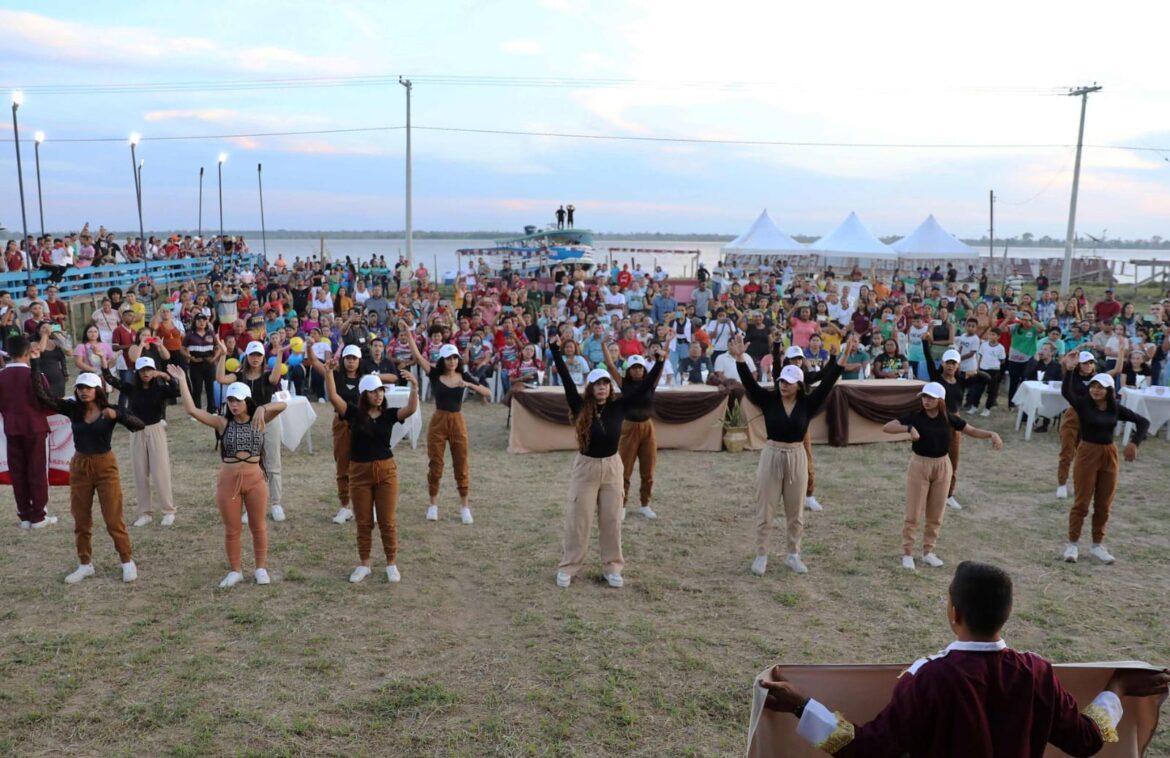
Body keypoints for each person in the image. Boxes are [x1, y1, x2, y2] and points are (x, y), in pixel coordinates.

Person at [757, 561, 1170, 756]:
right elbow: (1085, 741)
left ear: (953, 612)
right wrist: (1116, 688)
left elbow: (868, 749)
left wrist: (800, 706)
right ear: (1007, 615)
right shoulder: (1036, 674)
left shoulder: (928, 678)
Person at [550, 334, 662, 588]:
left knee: (611, 520)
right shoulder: (579, 406)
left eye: (605, 384)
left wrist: (658, 363)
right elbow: (567, 380)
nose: (602, 387)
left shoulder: (619, 406)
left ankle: (612, 567)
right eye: (597, 384)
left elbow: (645, 387)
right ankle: (569, 566)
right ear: (590, 388)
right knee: (579, 520)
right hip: (586, 468)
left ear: (611, 387)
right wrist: (555, 351)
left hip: (612, 467)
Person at [730, 334, 840, 576]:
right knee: (765, 509)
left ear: (799, 385)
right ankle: (761, 554)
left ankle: (793, 554)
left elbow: (828, 383)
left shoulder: (807, 404)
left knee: (795, 510)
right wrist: (740, 359)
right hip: (771, 454)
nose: (783, 385)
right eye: (781, 380)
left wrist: (839, 360)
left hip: (796, 456)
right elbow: (749, 383)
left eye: (789, 382)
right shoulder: (769, 400)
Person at [168, 365, 286, 588]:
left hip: (255, 479)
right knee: (232, 528)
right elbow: (193, 410)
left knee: (258, 525)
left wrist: (262, 408)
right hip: (229, 480)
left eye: (238, 400)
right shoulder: (223, 423)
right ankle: (236, 570)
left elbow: (283, 404)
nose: (233, 404)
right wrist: (183, 380)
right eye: (230, 400)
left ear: (247, 401)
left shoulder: (259, 420)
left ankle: (260, 568)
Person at [36, 373, 143, 584]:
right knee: (81, 518)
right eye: (79, 388)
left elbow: (139, 425)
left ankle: (127, 560)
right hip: (79, 466)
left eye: (88, 388)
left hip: (105, 466)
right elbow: (43, 397)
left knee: (113, 518)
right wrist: (36, 364)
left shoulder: (110, 409)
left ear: (98, 390)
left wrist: (118, 416)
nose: (83, 391)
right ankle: (85, 564)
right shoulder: (73, 409)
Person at [883, 382, 1002, 570]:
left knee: (936, 513)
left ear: (940, 400)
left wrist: (991, 434)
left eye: (930, 397)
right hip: (919, 464)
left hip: (942, 465)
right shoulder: (915, 417)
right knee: (913, 513)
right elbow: (888, 427)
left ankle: (928, 551)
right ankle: (907, 553)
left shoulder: (949, 418)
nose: (926, 401)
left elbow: (971, 430)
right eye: (924, 397)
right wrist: (907, 429)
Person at [325, 363, 418, 583]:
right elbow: (333, 397)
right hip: (359, 473)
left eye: (380, 391)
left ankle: (391, 563)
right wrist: (329, 373)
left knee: (387, 520)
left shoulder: (389, 414)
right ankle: (364, 563)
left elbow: (411, 409)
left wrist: (414, 386)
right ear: (364, 394)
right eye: (373, 391)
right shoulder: (354, 414)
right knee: (364, 521)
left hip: (386, 471)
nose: (378, 395)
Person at [1058, 353, 1149, 564]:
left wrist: (1135, 442)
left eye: (1100, 387)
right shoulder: (1083, 405)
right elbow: (1066, 391)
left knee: (1104, 503)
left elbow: (1143, 422)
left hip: (1109, 454)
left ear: (1109, 391)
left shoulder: (1115, 409)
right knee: (1082, 502)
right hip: (1087, 453)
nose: (1095, 390)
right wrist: (1070, 370)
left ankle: (1098, 545)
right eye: (1093, 386)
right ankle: (1072, 544)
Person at [404, 333, 492, 524]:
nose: (452, 361)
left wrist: (469, 384)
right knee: (435, 464)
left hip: (457, 421)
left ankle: (464, 507)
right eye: (448, 358)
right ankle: (433, 505)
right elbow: (418, 357)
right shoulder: (436, 374)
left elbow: (487, 392)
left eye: (454, 358)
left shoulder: (464, 375)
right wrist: (409, 333)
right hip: (438, 421)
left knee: (461, 464)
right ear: (442, 360)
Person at [102, 356, 179, 526]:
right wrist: (103, 360)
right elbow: (109, 379)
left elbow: (176, 391)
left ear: (154, 371)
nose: (146, 373)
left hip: (156, 430)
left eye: (149, 370)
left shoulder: (160, 389)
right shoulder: (131, 388)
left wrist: (166, 376)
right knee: (140, 473)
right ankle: (144, 513)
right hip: (136, 432)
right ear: (137, 372)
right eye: (143, 370)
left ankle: (168, 510)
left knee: (161, 472)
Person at [217, 338, 285, 522]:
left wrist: (279, 354)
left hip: (268, 421)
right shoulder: (239, 376)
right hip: (247, 425)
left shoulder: (267, 376)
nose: (256, 358)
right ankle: (251, 505)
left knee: (272, 461)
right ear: (246, 356)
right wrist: (223, 354)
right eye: (253, 355)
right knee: (251, 465)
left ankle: (276, 503)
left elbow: (276, 378)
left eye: (259, 355)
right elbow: (221, 378)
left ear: (263, 358)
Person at [602, 346, 667, 521]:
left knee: (648, 468)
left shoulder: (651, 383)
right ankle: (621, 505)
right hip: (629, 427)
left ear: (644, 370)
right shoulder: (624, 383)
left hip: (647, 427)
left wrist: (666, 345)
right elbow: (610, 365)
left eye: (640, 368)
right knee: (625, 469)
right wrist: (603, 345)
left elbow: (661, 364)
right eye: (634, 368)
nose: (637, 371)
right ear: (629, 370)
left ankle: (645, 505)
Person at [0, 336, 57, 528]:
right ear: (26, 353)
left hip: (11, 427)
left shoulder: (1, 376)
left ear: (8, 354)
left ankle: (24, 514)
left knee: (18, 472)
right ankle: (39, 515)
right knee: (37, 470)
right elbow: (48, 401)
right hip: (35, 428)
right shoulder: (35, 375)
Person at [922, 345, 972, 510]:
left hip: (955, 422)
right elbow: (929, 359)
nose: (950, 366)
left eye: (954, 363)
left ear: (958, 365)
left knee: (953, 460)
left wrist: (975, 372)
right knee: (932, 458)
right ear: (942, 363)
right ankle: (929, 491)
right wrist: (925, 342)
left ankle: (949, 494)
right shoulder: (937, 378)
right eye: (948, 362)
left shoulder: (961, 381)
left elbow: (987, 378)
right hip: (938, 421)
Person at [1055, 351, 1098, 499]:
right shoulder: (1072, 375)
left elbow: (1116, 371)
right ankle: (1061, 484)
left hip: (1088, 421)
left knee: (1084, 457)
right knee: (1067, 453)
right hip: (1072, 419)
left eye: (1091, 363)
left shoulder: (1097, 380)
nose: (1088, 366)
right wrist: (1069, 366)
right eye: (1085, 363)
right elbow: (1065, 389)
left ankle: (1079, 485)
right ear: (1079, 365)